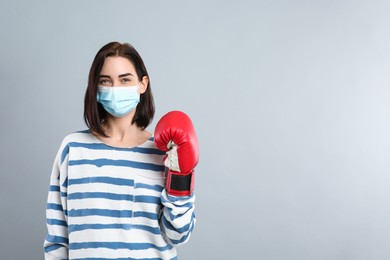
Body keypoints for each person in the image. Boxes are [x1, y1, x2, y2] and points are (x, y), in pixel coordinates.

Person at [43, 42, 198, 259]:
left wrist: (180, 177)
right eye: (105, 81)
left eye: (125, 79)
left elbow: (178, 235)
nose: (115, 88)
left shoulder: (164, 154)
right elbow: (57, 239)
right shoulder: (73, 148)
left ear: (143, 84)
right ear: (95, 88)